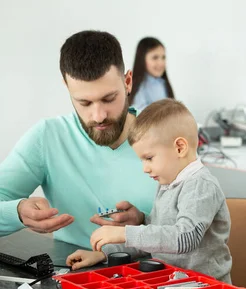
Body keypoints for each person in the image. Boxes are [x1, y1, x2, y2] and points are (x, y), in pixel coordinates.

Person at [0, 30, 156, 248]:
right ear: (67, 87)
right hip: (75, 275)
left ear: (127, 82)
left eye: (109, 98)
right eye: (85, 103)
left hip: (160, 276)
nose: (99, 115)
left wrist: (143, 223)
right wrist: (16, 213)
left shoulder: (165, 136)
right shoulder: (48, 137)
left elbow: (196, 225)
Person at [66, 99, 232, 283]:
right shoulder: (167, 184)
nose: (145, 168)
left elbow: (185, 237)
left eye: (149, 158)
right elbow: (153, 240)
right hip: (171, 284)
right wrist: (104, 254)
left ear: (180, 148)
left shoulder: (200, 186)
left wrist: (125, 233)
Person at [130, 37, 175, 112]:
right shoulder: (139, 87)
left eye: (163, 57)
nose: (161, 63)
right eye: (155, 57)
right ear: (142, 60)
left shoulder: (162, 83)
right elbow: (139, 114)